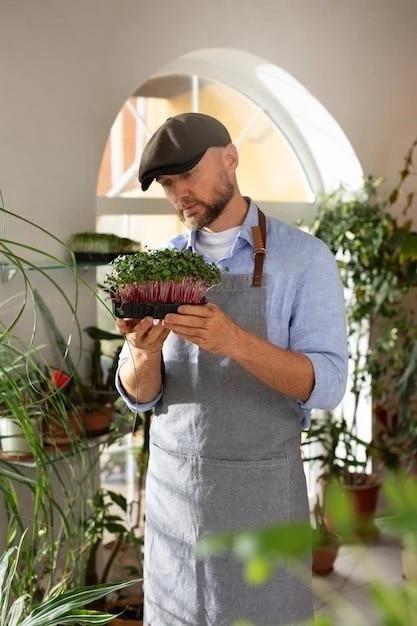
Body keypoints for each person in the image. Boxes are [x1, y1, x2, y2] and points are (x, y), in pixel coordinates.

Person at [115, 112, 348, 626]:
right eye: (168, 185)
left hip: (260, 501)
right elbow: (138, 396)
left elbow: (328, 384)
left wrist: (236, 342)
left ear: (230, 158)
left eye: (188, 176)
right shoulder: (162, 263)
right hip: (176, 501)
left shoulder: (305, 260)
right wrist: (144, 355)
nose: (179, 195)